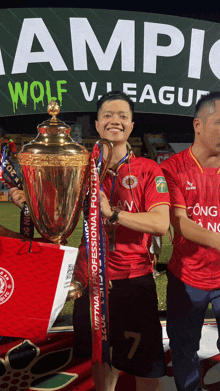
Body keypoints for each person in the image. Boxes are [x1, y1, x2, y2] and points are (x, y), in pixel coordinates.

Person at [72, 91, 170, 391]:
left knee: (144, 366)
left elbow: (160, 224)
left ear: (131, 125)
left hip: (133, 281)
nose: (115, 120)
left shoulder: (148, 169)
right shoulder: (81, 172)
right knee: (101, 362)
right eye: (107, 116)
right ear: (98, 125)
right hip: (90, 283)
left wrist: (112, 213)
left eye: (122, 116)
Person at [161, 91, 220, 391]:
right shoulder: (171, 168)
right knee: (184, 349)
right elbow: (180, 223)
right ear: (198, 125)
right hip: (187, 277)